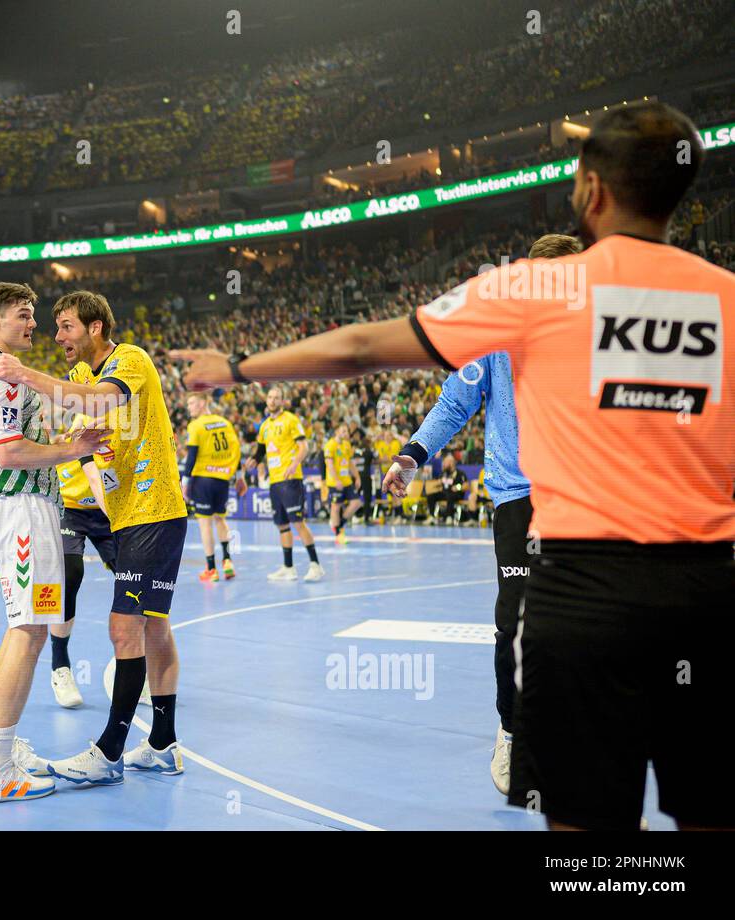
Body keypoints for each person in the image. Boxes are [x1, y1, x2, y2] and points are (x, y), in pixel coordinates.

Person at [174, 101, 735, 831]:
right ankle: (514, 733)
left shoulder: (539, 290)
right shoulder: (724, 300)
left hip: (585, 590)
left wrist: (239, 368)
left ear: (592, 192)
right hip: (709, 591)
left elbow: (363, 350)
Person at [384, 231, 583, 796]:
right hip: (521, 498)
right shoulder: (498, 340)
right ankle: (513, 731)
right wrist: (413, 454)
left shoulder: (597, 338)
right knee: (515, 625)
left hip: (585, 497)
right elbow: (455, 402)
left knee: (589, 623)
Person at [0, 290, 188, 783]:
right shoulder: (78, 376)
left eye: (67, 326)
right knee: (153, 625)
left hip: (153, 508)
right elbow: (92, 433)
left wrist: (23, 373)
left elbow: (103, 400)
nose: (58, 336)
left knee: (124, 626)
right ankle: (162, 743)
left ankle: (110, 752)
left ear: (95, 328)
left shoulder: (129, 359)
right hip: (124, 514)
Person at [0, 282, 111, 803]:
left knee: (34, 626)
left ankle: (2, 745)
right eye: (24, 315)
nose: (33, 324)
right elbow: (7, 452)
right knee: (26, 629)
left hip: (24, 509)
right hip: (21, 508)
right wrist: (74, 450)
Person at [50, 431, 114, 709]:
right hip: (69, 508)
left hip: (108, 505)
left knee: (133, 578)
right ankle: (59, 666)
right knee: (70, 574)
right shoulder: (67, 414)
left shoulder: (121, 414)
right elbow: (90, 474)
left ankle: (138, 665)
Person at [252, 387, 324, 582]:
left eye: (277, 398)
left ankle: (315, 565)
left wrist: (294, 464)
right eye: (270, 397)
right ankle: (288, 568)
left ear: (283, 401)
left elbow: (304, 447)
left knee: (298, 523)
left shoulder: (291, 420)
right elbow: (260, 451)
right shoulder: (265, 425)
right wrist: (255, 462)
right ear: (266, 400)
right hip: (274, 480)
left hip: (290, 479)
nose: (273, 400)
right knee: (282, 525)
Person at [182, 392, 247, 582]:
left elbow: (192, 456)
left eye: (192, 403)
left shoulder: (196, 426)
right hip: (222, 480)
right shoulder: (225, 423)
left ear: (203, 403)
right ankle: (227, 561)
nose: (189, 407)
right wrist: (240, 477)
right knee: (220, 519)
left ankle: (211, 568)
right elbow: (236, 452)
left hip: (203, 479)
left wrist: (185, 482)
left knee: (205, 523)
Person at [324, 422, 361, 542]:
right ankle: (338, 535)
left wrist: (357, 477)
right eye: (343, 431)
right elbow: (330, 465)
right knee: (336, 506)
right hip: (335, 482)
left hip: (347, 481)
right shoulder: (330, 445)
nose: (346, 433)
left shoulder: (347, 444)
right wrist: (336, 480)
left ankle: (339, 525)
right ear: (337, 432)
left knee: (356, 503)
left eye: (347, 431)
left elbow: (350, 463)